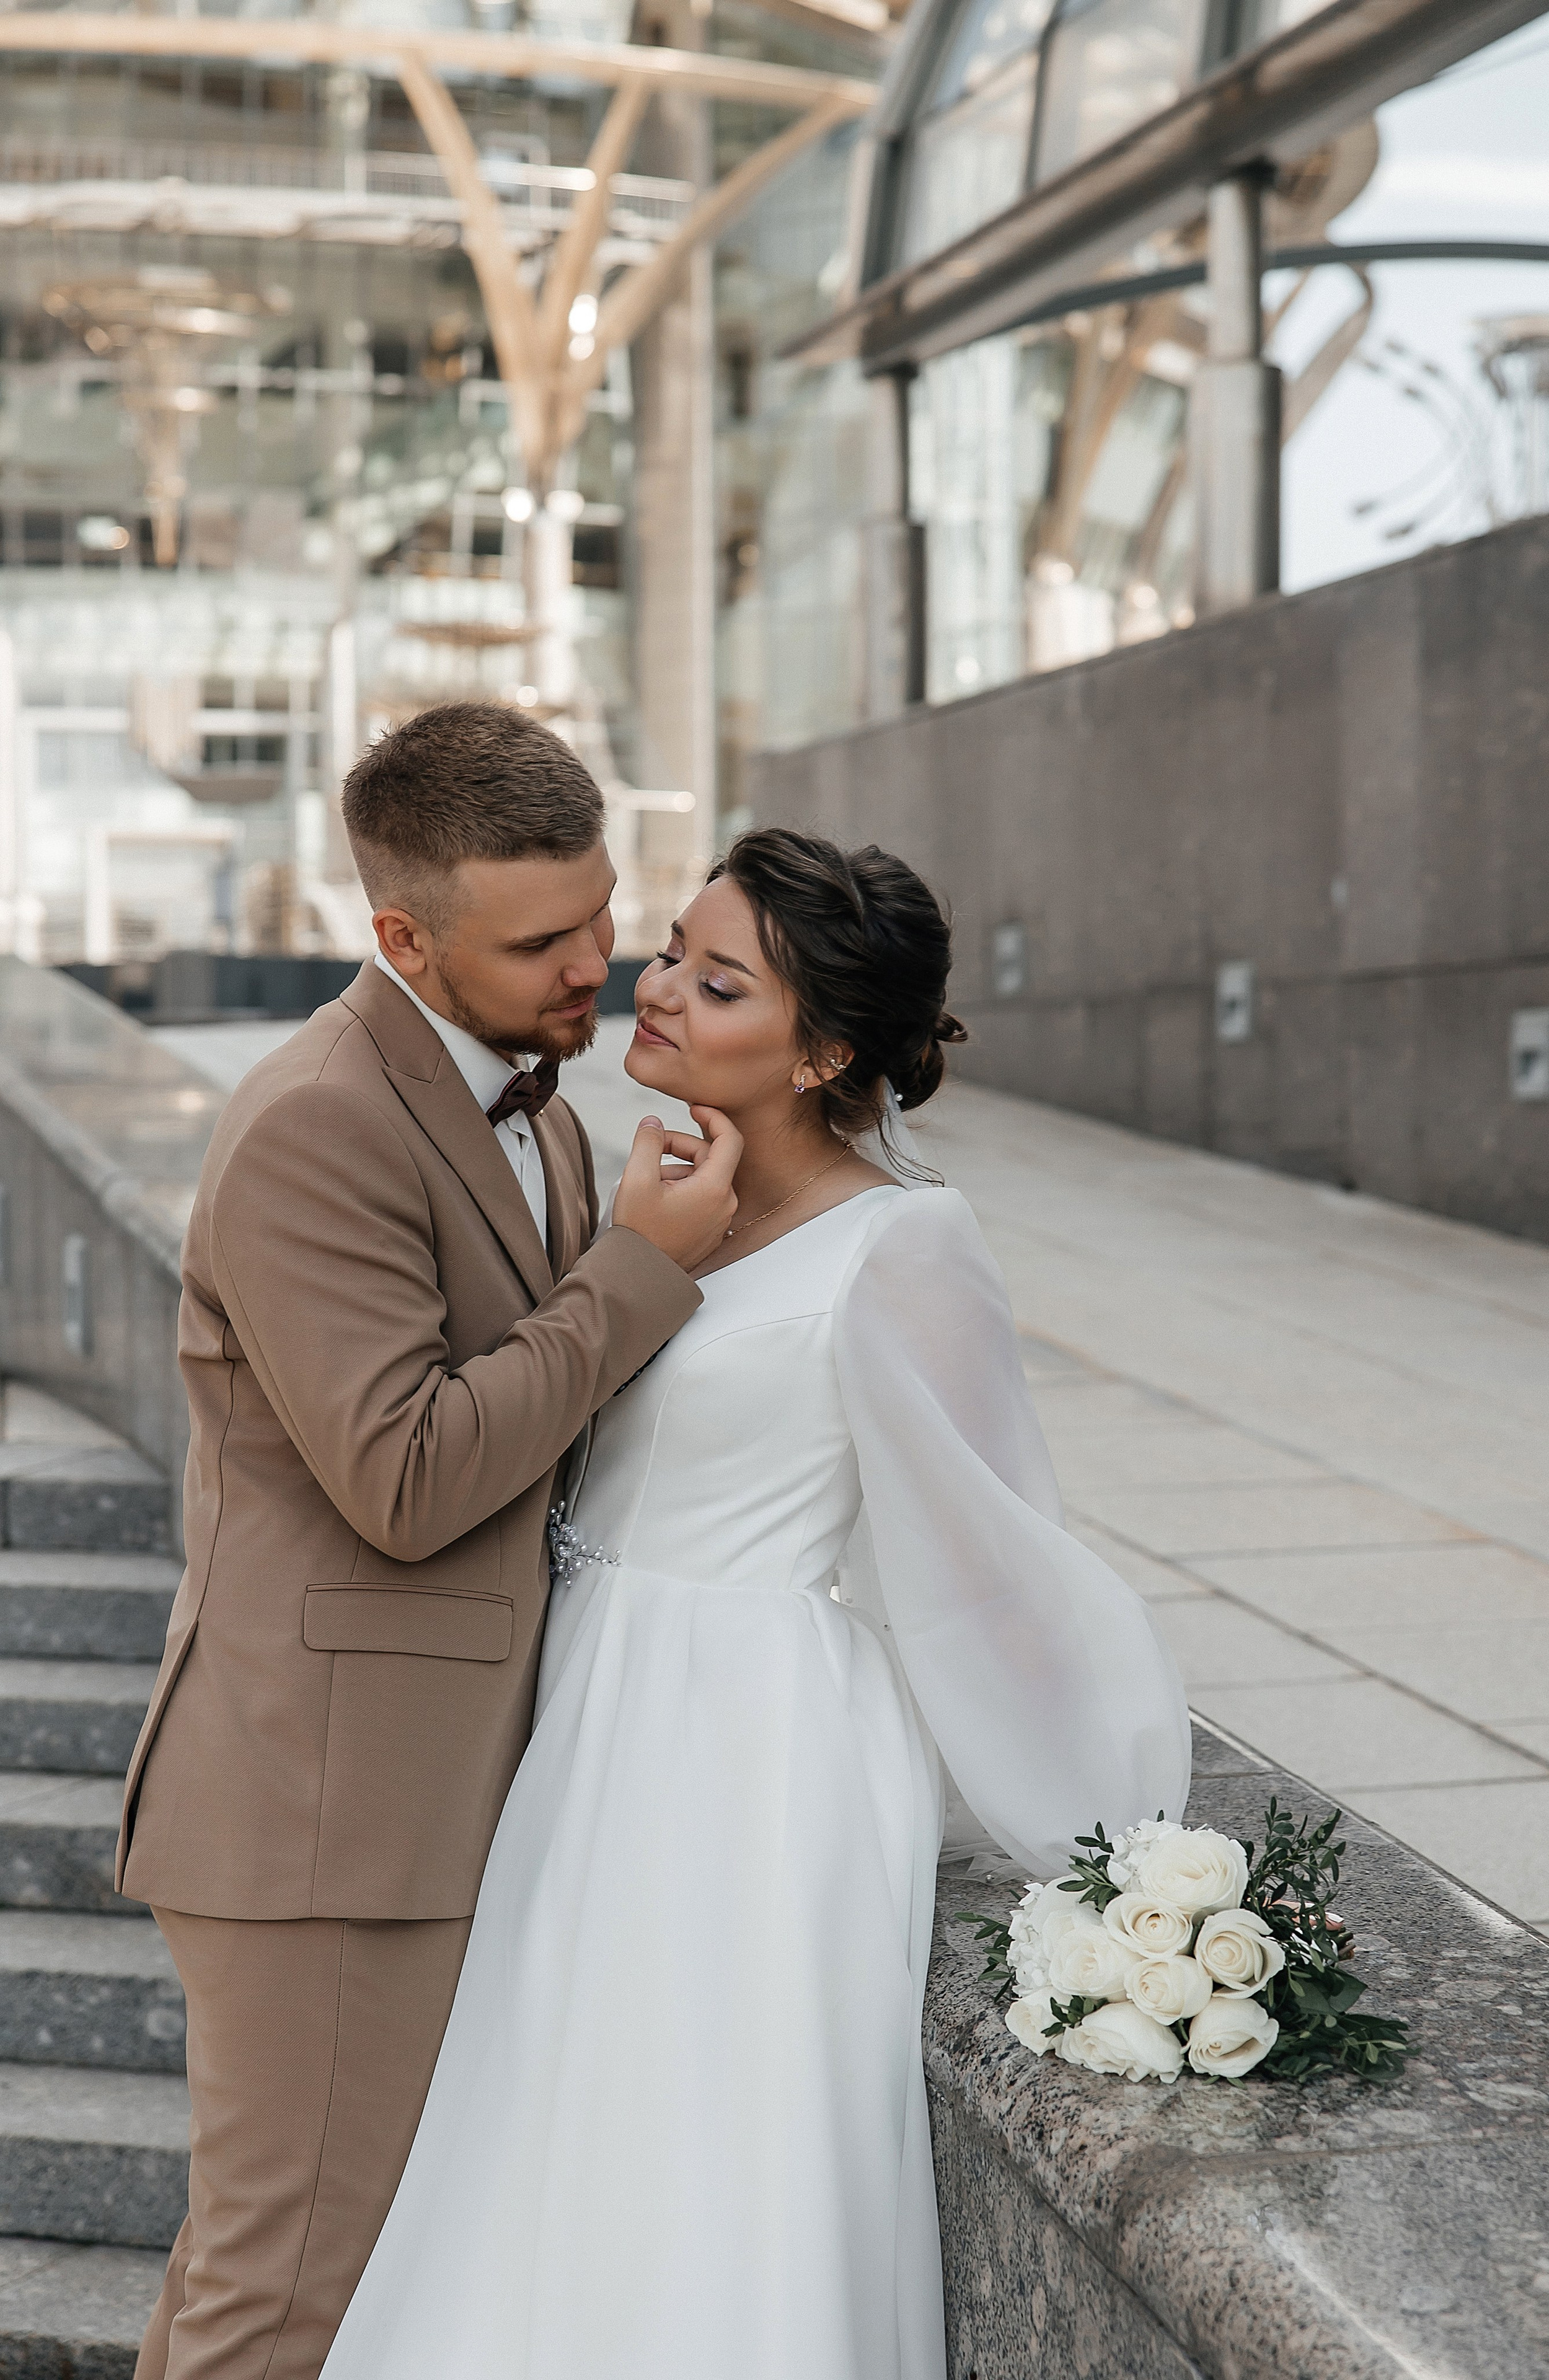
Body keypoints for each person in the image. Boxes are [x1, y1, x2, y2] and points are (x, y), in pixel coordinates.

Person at [322, 826, 1191, 2380]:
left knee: (704, 2168)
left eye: (714, 985)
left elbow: (997, 1561)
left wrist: (1125, 1863)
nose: (651, 990)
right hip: (590, 1713)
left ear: (824, 1052)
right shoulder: (659, 1187)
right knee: (543, 2151)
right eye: (669, 951)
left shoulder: (906, 1242)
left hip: (745, 1745)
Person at [120, 701, 741, 2379]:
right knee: (292, 2298)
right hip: (326, 1819)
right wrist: (641, 1269)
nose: (598, 966)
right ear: (400, 935)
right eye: (543, 940)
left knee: (261, 2269)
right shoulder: (321, 1120)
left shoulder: (529, 1102)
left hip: (414, 1799)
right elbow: (401, 1472)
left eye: (608, 914)